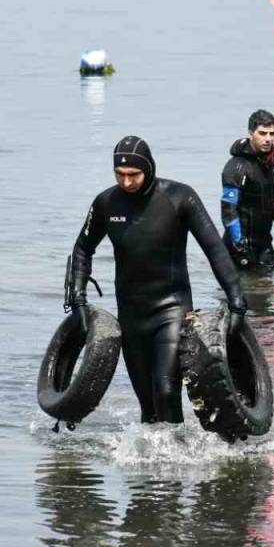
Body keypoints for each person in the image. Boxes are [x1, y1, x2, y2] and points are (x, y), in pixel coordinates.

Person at [68, 136, 247, 424]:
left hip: (171, 310)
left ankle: (177, 460)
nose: (126, 182)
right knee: (148, 406)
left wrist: (237, 299)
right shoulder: (106, 203)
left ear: (149, 168)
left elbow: (215, 248)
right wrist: (76, 296)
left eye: (133, 175)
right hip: (131, 315)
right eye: (120, 175)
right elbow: (82, 249)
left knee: (165, 390)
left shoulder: (179, 198)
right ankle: (153, 466)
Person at [220, 109, 274, 270]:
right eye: (262, 133)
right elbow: (228, 211)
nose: (268, 139)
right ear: (251, 133)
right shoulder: (236, 166)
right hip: (238, 248)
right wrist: (240, 247)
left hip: (264, 245)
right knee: (250, 293)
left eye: (272, 133)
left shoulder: (268, 163)